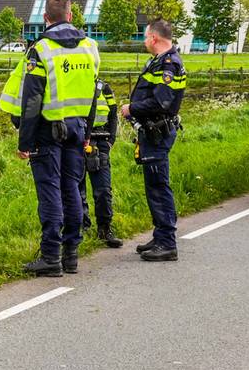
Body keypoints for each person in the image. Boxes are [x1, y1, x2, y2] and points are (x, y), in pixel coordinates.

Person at [10, 0, 100, 277]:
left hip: (47, 133)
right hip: (77, 129)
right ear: (71, 16)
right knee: (72, 189)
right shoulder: (90, 48)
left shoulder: (41, 49)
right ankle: (71, 254)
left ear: (45, 18)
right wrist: (88, 132)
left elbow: (32, 100)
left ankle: (51, 256)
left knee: (50, 191)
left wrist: (25, 141)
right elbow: (94, 94)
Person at [120, 19, 187, 262]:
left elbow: (161, 102)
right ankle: (160, 236)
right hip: (152, 132)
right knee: (153, 186)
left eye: (146, 37)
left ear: (154, 39)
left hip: (158, 132)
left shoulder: (168, 65)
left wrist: (131, 108)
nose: (144, 41)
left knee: (159, 186)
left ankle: (167, 243)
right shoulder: (161, 61)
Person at [79, 79, 123, 248]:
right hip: (78, 142)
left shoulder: (104, 88)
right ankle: (82, 227)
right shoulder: (76, 84)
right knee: (77, 190)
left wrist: (111, 140)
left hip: (101, 142)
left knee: (103, 190)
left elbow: (113, 115)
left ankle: (105, 229)